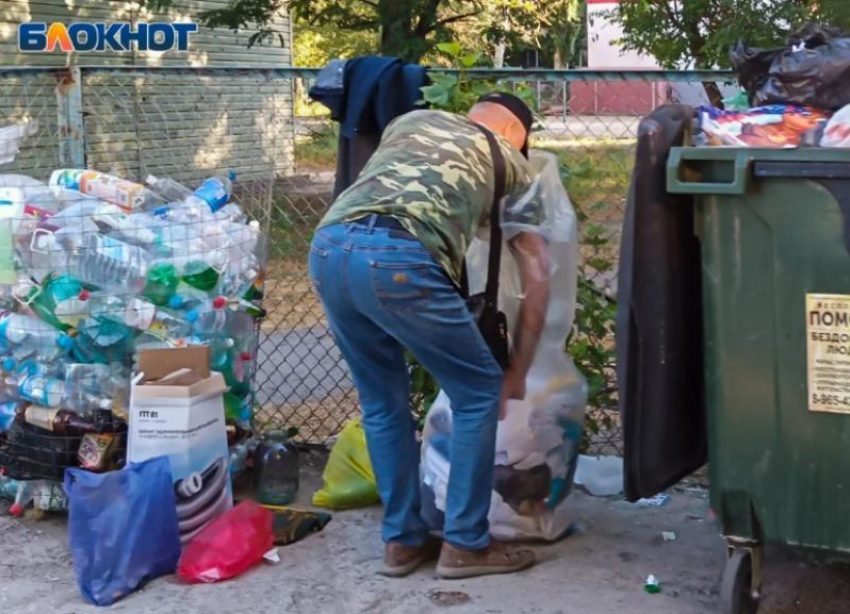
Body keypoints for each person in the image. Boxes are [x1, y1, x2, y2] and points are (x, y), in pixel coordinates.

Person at [309, 92, 551, 579]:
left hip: (329, 249)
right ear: (515, 137)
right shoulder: (514, 167)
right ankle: (464, 543)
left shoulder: (411, 120)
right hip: (400, 261)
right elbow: (538, 273)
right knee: (480, 389)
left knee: (382, 402)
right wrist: (518, 371)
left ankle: (402, 541)